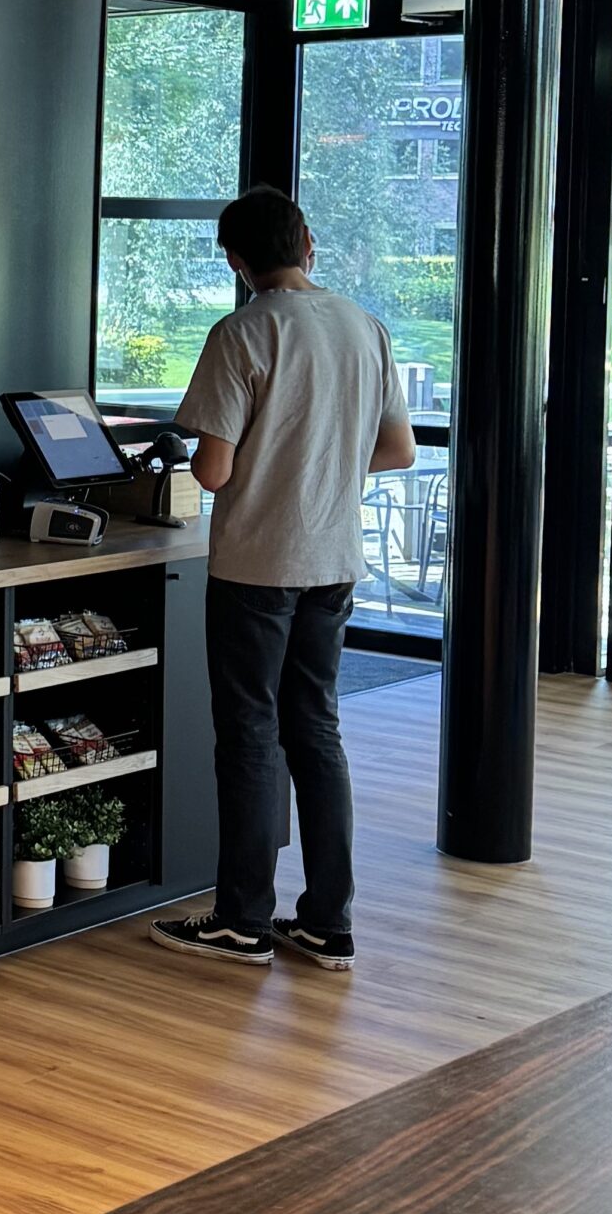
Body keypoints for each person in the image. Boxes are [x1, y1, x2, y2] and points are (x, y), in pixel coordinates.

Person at [150, 185, 416, 970]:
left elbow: (213, 470)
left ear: (236, 261)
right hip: (333, 562)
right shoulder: (365, 326)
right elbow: (399, 450)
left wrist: (265, 463)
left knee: (249, 738)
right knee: (317, 731)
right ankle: (328, 922)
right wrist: (322, 466)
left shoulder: (242, 333)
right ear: (307, 243)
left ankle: (243, 920)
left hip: (258, 565)